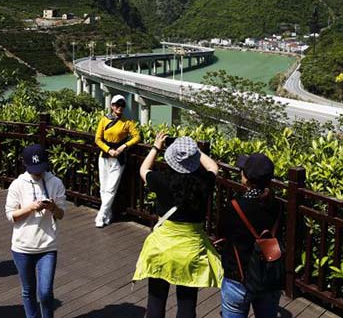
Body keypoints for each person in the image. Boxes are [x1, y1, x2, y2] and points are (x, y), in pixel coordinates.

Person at [133, 133, 222, 318]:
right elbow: (213, 166)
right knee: (187, 304)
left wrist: (156, 147)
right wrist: (194, 150)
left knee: (156, 300)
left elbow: (143, 169)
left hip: (162, 249)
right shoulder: (204, 183)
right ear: (194, 160)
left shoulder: (161, 181)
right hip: (191, 251)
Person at [5, 144, 67, 318]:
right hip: (22, 247)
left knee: (46, 292)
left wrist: (53, 207)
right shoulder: (17, 185)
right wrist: (30, 208)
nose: (38, 173)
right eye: (34, 169)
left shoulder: (55, 182)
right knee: (28, 291)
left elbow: (61, 214)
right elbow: (11, 216)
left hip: (48, 246)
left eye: (41, 168)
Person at [217, 153, 282, 318]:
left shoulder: (235, 207)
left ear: (245, 178)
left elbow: (223, 232)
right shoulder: (279, 207)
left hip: (238, 278)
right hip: (269, 278)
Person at [94, 94, 140, 227]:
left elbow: (137, 137)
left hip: (119, 159)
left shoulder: (127, 123)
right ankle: (108, 214)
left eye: (122, 105)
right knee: (103, 187)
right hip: (104, 156)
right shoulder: (104, 120)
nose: (119, 107)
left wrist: (123, 146)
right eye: (117, 105)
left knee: (111, 188)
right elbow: (97, 139)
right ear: (112, 106)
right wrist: (109, 150)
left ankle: (100, 215)